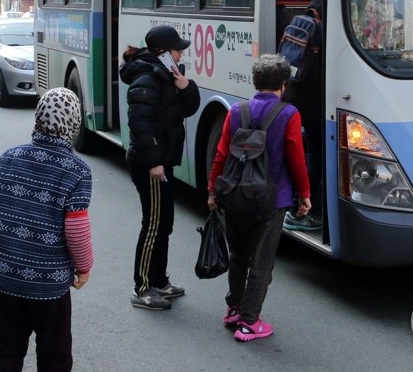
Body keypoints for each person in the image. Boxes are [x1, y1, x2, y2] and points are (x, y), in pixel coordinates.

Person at [0, 87, 93, 372]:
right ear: (74, 124)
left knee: (7, 347)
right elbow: (76, 230)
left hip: (2, 278)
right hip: (48, 284)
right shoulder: (77, 171)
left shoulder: (10, 157)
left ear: (38, 118)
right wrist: (84, 267)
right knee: (54, 353)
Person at [207, 54, 311, 342]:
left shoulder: (236, 111)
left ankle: (234, 309)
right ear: (283, 84)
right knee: (263, 261)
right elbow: (296, 159)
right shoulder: (289, 114)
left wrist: (212, 191)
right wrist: (304, 195)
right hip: (272, 201)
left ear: (255, 82)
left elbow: (221, 154)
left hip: (234, 196)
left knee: (239, 254)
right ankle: (249, 322)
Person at [119, 25, 200, 310]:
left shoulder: (167, 76)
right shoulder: (147, 78)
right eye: (178, 49)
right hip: (149, 164)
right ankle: (142, 288)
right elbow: (140, 124)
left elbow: (188, 109)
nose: (181, 54)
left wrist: (186, 86)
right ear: (165, 53)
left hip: (162, 162)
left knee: (164, 223)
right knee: (153, 225)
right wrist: (154, 162)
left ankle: (159, 281)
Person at [283, 0, 324, 232]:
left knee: (303, 153)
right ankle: (300, 211)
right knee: (315, 157)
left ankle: (292, 205)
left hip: (294, 97)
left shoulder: (294, 22)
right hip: (314, 102)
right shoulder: (319, 30)